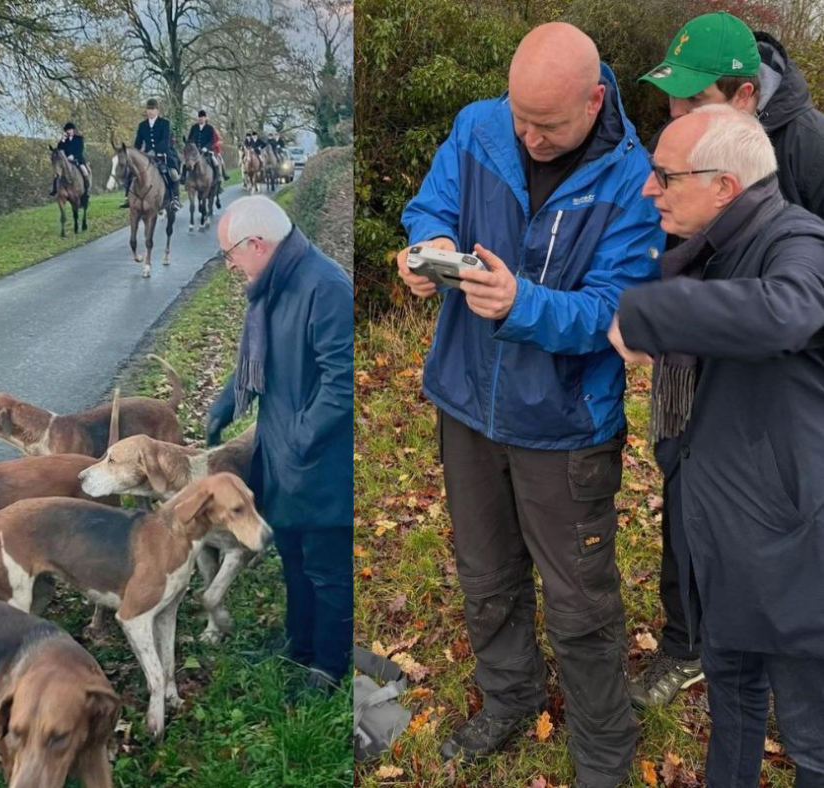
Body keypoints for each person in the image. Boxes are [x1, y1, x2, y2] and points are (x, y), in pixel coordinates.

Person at [395, 22, 663, 788]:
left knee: (580, 605)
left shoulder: (632, 181)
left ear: (595, 100)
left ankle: (604, 752)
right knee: (485, 574)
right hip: (466, 404)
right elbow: (429, 204)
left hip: (565, 426)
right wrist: (428, 245)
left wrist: (522, 304)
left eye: (547, 125)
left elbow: (614, 313)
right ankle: (511, 697)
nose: (528, 136)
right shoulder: (479, 126)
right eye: (520, 117)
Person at [609, 103, 824, 787]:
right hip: (727, 535)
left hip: (794, 555)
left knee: (812, 736)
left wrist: (646, 311)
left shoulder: (801, 241)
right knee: (733, 698)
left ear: (725, 187)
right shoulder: (711, 249)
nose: (651, 189)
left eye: (665, 176)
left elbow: (784, 311)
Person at [204, 196, 353, 693]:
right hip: (280, 452)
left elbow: (341, 381)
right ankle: (299, 646)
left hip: (320, 461)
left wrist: (301, 437)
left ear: (259, 243)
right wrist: (227, 404)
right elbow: (257, 361)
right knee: (291, 552)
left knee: (327, 565)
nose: (230, 264)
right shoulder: (270, 284)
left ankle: (328, 665)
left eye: (231, 253)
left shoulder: (325, 286)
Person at [120, 98, 181, 210]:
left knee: (173, 173)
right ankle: (128, 197)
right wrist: (135, 154)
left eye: (152, 109)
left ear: (157, 110)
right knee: (131, 170)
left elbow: (165, 141)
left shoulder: (165, 123)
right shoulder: (142, 125)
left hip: (163, 155)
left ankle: (174, 199)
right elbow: (138, 143)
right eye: (148, 109)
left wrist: (155, 150)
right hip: (147, 157)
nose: (150, 111)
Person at [49, 122, 90, 198]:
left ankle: (86, 191)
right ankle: (54, 190)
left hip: (78, 159)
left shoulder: (79, 139)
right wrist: (62, 141)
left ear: (73, 130)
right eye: (68, 130)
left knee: (85, 173)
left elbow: (80, 150)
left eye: (71, 129)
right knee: (56, 173)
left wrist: (73, 156)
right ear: (66, 131)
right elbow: (59, 150)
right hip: (66, 161)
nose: (69, 131)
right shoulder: (65, 140)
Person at [186, 109, 228, 181]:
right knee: (187, 162)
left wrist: (206, 148)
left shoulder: (210, 128)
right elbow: (190, 139)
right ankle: (184, 178)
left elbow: (212, 140)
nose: (200, 119)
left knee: (215, 161)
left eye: (202, 118)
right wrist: (191, 146)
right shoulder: (194, 127)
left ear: (205, 118)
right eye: (199, 118)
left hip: (206, 151)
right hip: (195, 151)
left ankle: (218, 178)